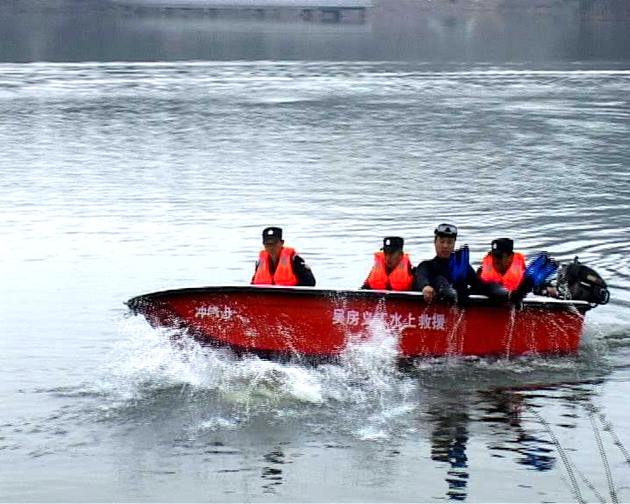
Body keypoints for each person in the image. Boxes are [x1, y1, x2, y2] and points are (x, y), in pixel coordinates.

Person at [413, 223, 481, 304]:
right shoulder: (426, 265)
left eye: (449, 242)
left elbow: (478, 285)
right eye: (442, 242)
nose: (445, 246)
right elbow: (420, 278)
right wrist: (425, 287)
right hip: (438, 302)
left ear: (454, 244)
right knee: (439, 280)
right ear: (435, 243)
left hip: (462, 305)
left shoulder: (463, 267)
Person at [251, 227, 316, 287]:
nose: (271, 247)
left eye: (274, 243)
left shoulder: (294, 259)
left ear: (282, 242)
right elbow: (253, 283)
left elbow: (310, 282)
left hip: (290, 295)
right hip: (265, 296)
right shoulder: (261, 262)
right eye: (267, 244)